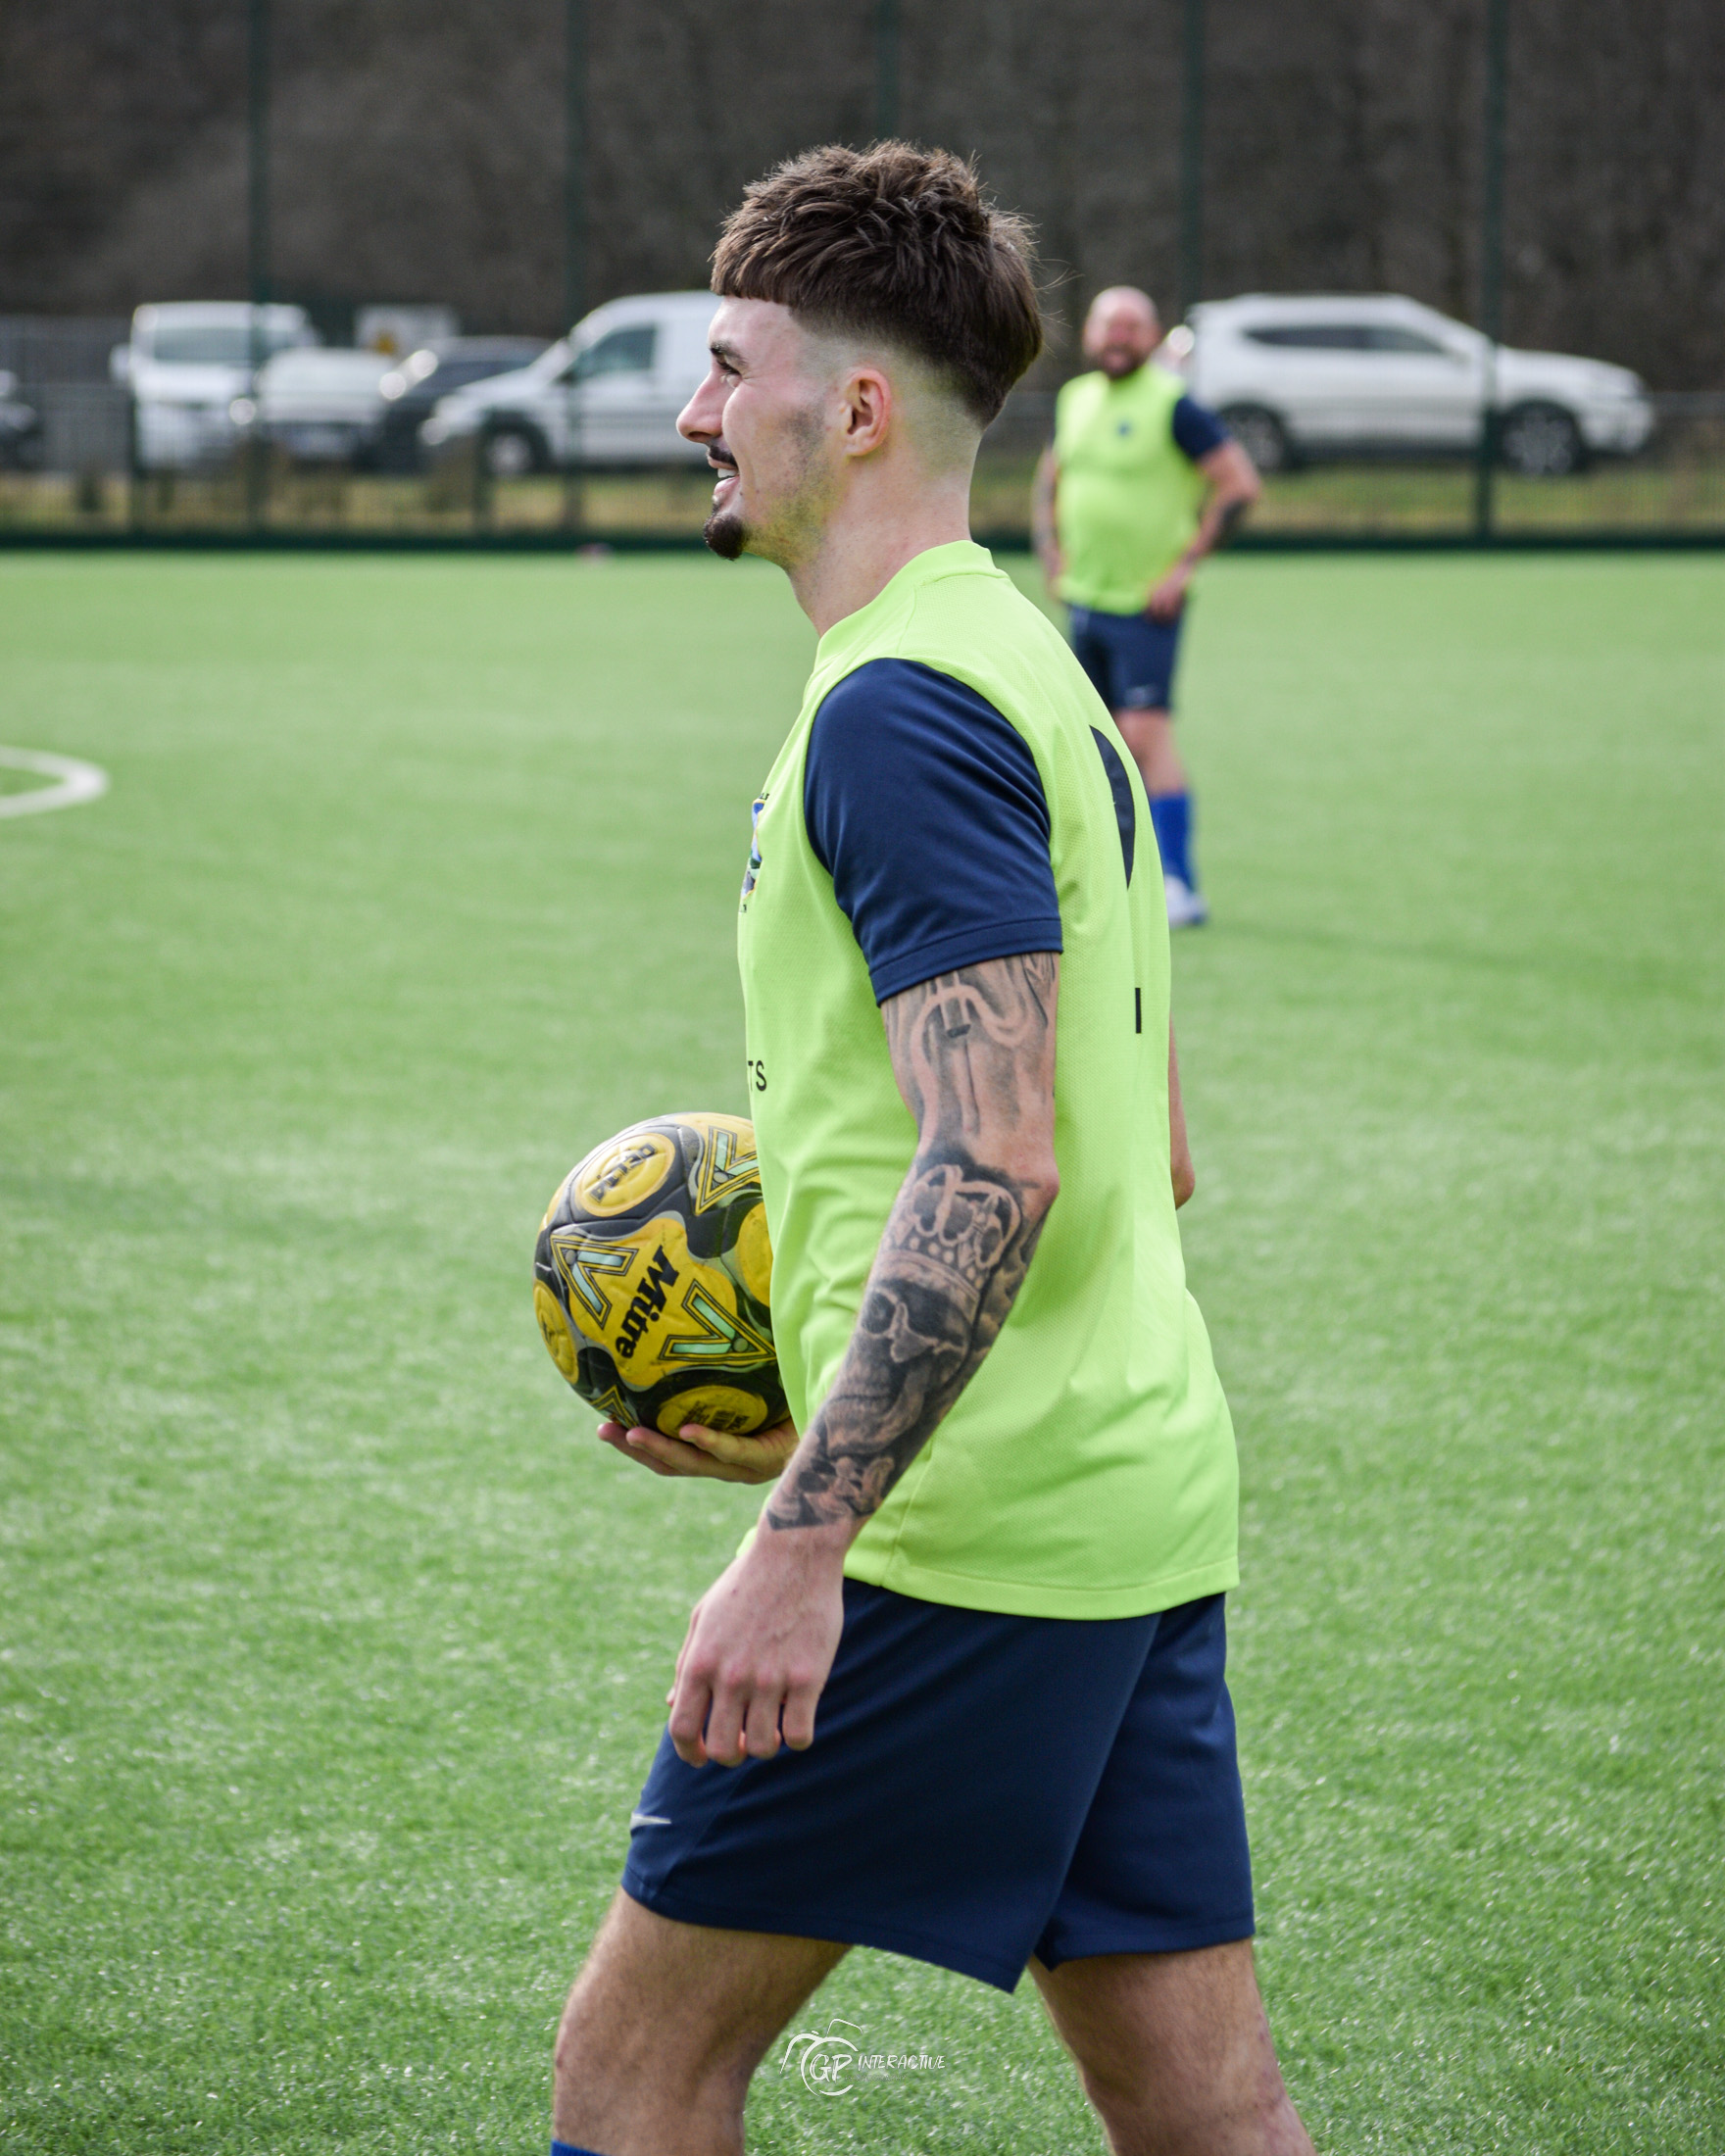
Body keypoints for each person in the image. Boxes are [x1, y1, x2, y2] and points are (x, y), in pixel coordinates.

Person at [552, 143, 1313, 2156]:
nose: (696, 411)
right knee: (1206, 2112)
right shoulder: (1035, 671)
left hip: (951, 1553)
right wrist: (815, 1410)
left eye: (728, 366)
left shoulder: (899, 707)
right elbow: (1142, 1150)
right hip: (1126, 1499)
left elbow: (993, 1165)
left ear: (857, 404)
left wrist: (808, 1529)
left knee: (633, 2076)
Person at [1033, 285, 1260, 928]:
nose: (1119, 337)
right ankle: (1115, 880)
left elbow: (1239, 483)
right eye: (1109, 326)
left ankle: (1181, 884)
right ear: (1091, 335)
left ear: (1153, 334)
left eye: (1132, 327)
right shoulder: (1074, 401)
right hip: (1084, 601)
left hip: (1146, 606)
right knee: (1098, 744)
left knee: (1145, 737)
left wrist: (1185, 566)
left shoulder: (1174, 405)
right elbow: (1051, 476)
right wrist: (1049, 547)